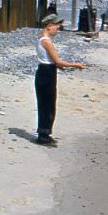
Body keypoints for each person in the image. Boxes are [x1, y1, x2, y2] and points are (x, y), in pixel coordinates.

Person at [34, 13, 86, 145]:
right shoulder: (46, 42)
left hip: (45, 71)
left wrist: (61, 67)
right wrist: (76, 65)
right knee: (47, 104)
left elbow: (52, 61)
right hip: (47, 73)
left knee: (47, 103)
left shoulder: (42, 39)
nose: (58, 29)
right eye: (57, 27)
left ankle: (45, 132)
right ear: (49, 26)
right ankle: (43, 135)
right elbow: (58, 61)